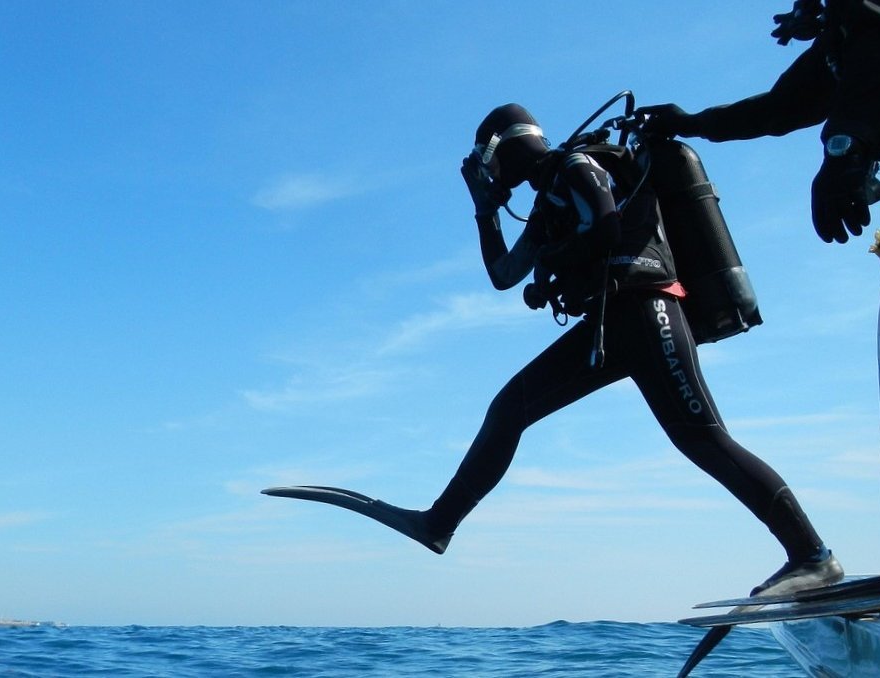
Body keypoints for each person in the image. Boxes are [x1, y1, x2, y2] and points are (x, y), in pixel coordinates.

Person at [267, 102, 843, 597]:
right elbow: (502, 273)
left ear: (502, 150)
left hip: (647, 311)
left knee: (704, 439)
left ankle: (813, 556)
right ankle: (438, 524)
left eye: (487, 162)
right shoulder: (547, 202)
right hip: (614, 326)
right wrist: (485, 208)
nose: (488, 172)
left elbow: (609, 229)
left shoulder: (574, 166)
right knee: (510, 408)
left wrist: (554, 272)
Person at [640, 0, 880, 416]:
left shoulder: (868, 19)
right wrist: (692, 123)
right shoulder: (845, 33)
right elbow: (783, 106)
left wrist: (844, 149)